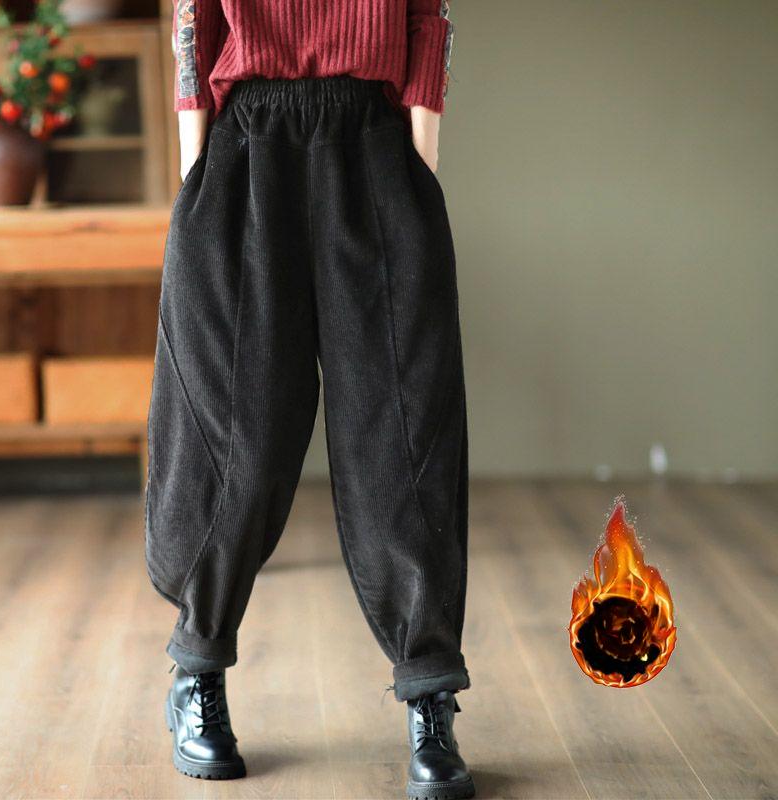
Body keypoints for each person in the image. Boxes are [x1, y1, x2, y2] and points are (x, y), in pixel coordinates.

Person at [145, 2, 473, 797]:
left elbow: (427, 17)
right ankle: (198, 671)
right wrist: (197, 174)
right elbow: (195, 17)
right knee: (235, 440)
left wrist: (419, 167)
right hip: (245, 148)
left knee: (404, 440)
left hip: (375, 148)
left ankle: (429, 698)